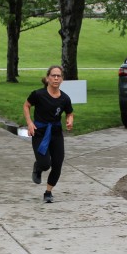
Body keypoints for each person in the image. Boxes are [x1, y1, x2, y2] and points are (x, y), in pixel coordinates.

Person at [23, 65, 74, 204]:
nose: (56, 78)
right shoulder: (38, 94)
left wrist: (70, 120)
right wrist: (29, 123)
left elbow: (69, 113)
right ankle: (38, 167)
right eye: (53, 75)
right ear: (48, 78)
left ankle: (48, 192)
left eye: (59, 76)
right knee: (45, 164)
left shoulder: (65, 98)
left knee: (57, 164)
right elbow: (26, 105)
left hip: (56, 133)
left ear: (62, 79)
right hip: (39, 132)